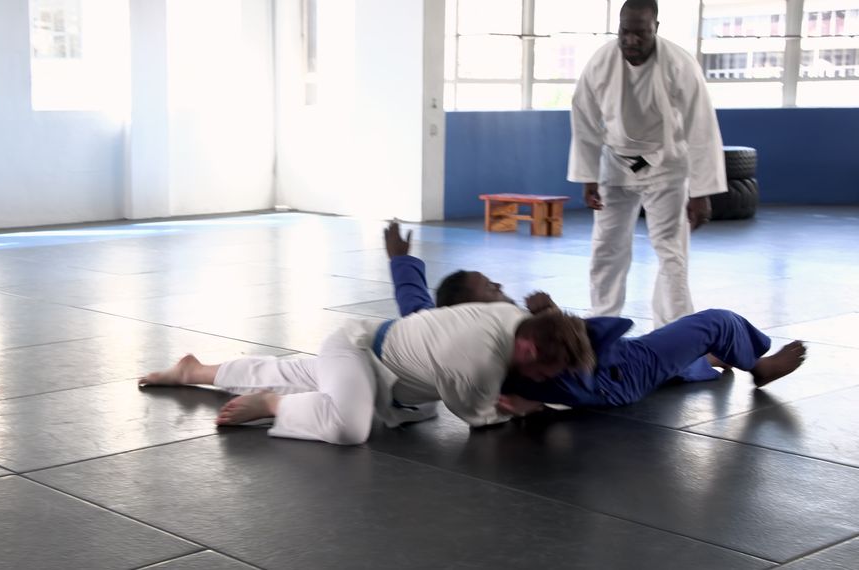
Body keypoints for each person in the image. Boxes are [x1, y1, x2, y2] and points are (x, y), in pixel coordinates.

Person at [380, 221, 806, 417]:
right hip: (618, 371)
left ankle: (706, 363)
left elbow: (416, 312)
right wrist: (547, 313)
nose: (500, 289)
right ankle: (760, 365)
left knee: (677, 361)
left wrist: (401, 260)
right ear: (472, 310)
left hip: (616, 369)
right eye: (491, 290)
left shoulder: (448, 337)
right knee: (715, 322)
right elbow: (567, 367)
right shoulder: (497, 336)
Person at [140, 290, 595, 446]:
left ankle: (193, 371)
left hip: (379, 370)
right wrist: (522, 407)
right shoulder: (480, 358)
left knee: (294, 371)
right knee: (350, 427)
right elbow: (478, 416)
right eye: (544, 372)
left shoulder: (510, 316)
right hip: (358, 352)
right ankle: (275, 405)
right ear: (530, 350)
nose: (541, 380)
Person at [568, 0, 726, 329]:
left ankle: (675, 331)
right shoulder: (601, 62)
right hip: (616, 163)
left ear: (656, 27)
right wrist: (587, 177)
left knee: (672, 252)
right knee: (606, 247)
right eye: (625, 32)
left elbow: (701, 128)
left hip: (667, 165)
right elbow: (583, 118)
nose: (631, 40)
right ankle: (602, 324)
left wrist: (700, 192)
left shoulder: (680, 64)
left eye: (641, 33)